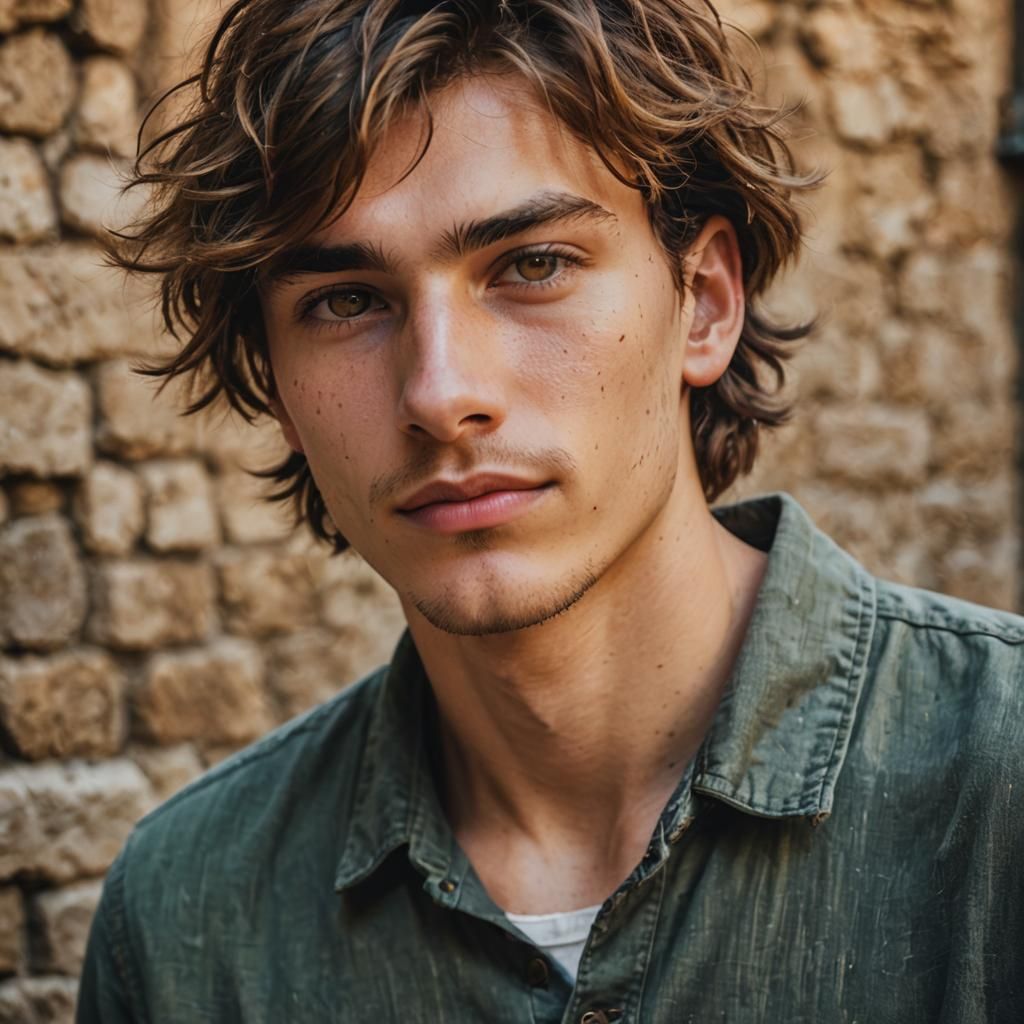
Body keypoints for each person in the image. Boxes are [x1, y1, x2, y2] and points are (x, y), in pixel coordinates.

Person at [77, 1, 1022, 1021]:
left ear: (704, 301)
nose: (440, 392)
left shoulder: (997, 788)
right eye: (347, 301)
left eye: (533, 265)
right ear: (278, 389)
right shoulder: (184, 923)